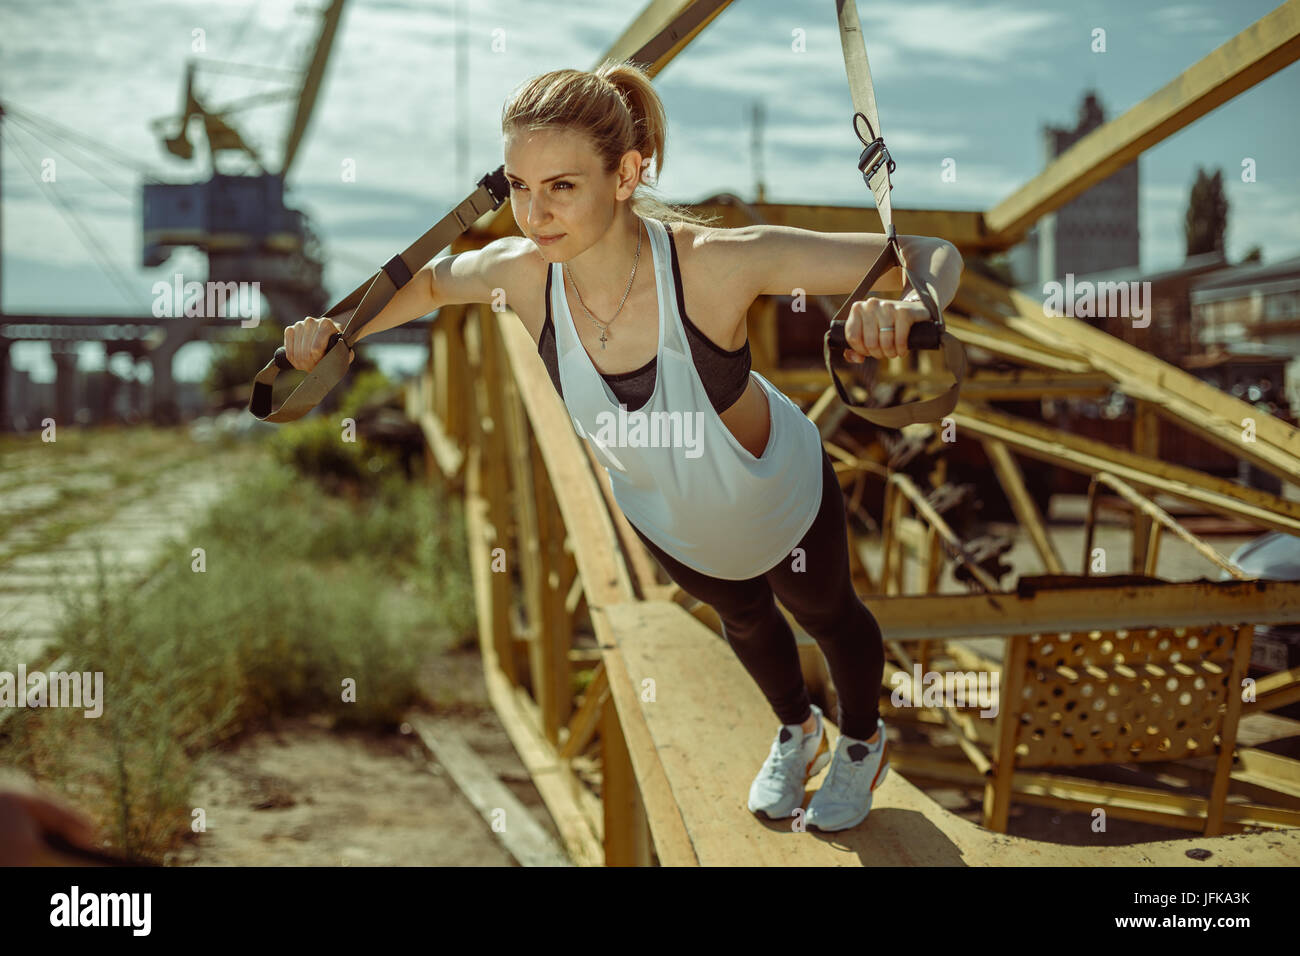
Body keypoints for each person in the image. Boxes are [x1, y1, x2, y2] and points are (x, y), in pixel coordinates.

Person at [284, 59, 963, 832]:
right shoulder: (524, 275)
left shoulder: (714, 265)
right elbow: (435, 283)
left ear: (627, 173)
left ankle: (863, 741)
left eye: (561, 186)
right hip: (669, 516)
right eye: (517, 186)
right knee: (742, 620)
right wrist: (340, 332)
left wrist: (910, 304)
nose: (532, 214)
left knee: (828, 615)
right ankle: (798, 728)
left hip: (775, 493)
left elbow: (932, 254)